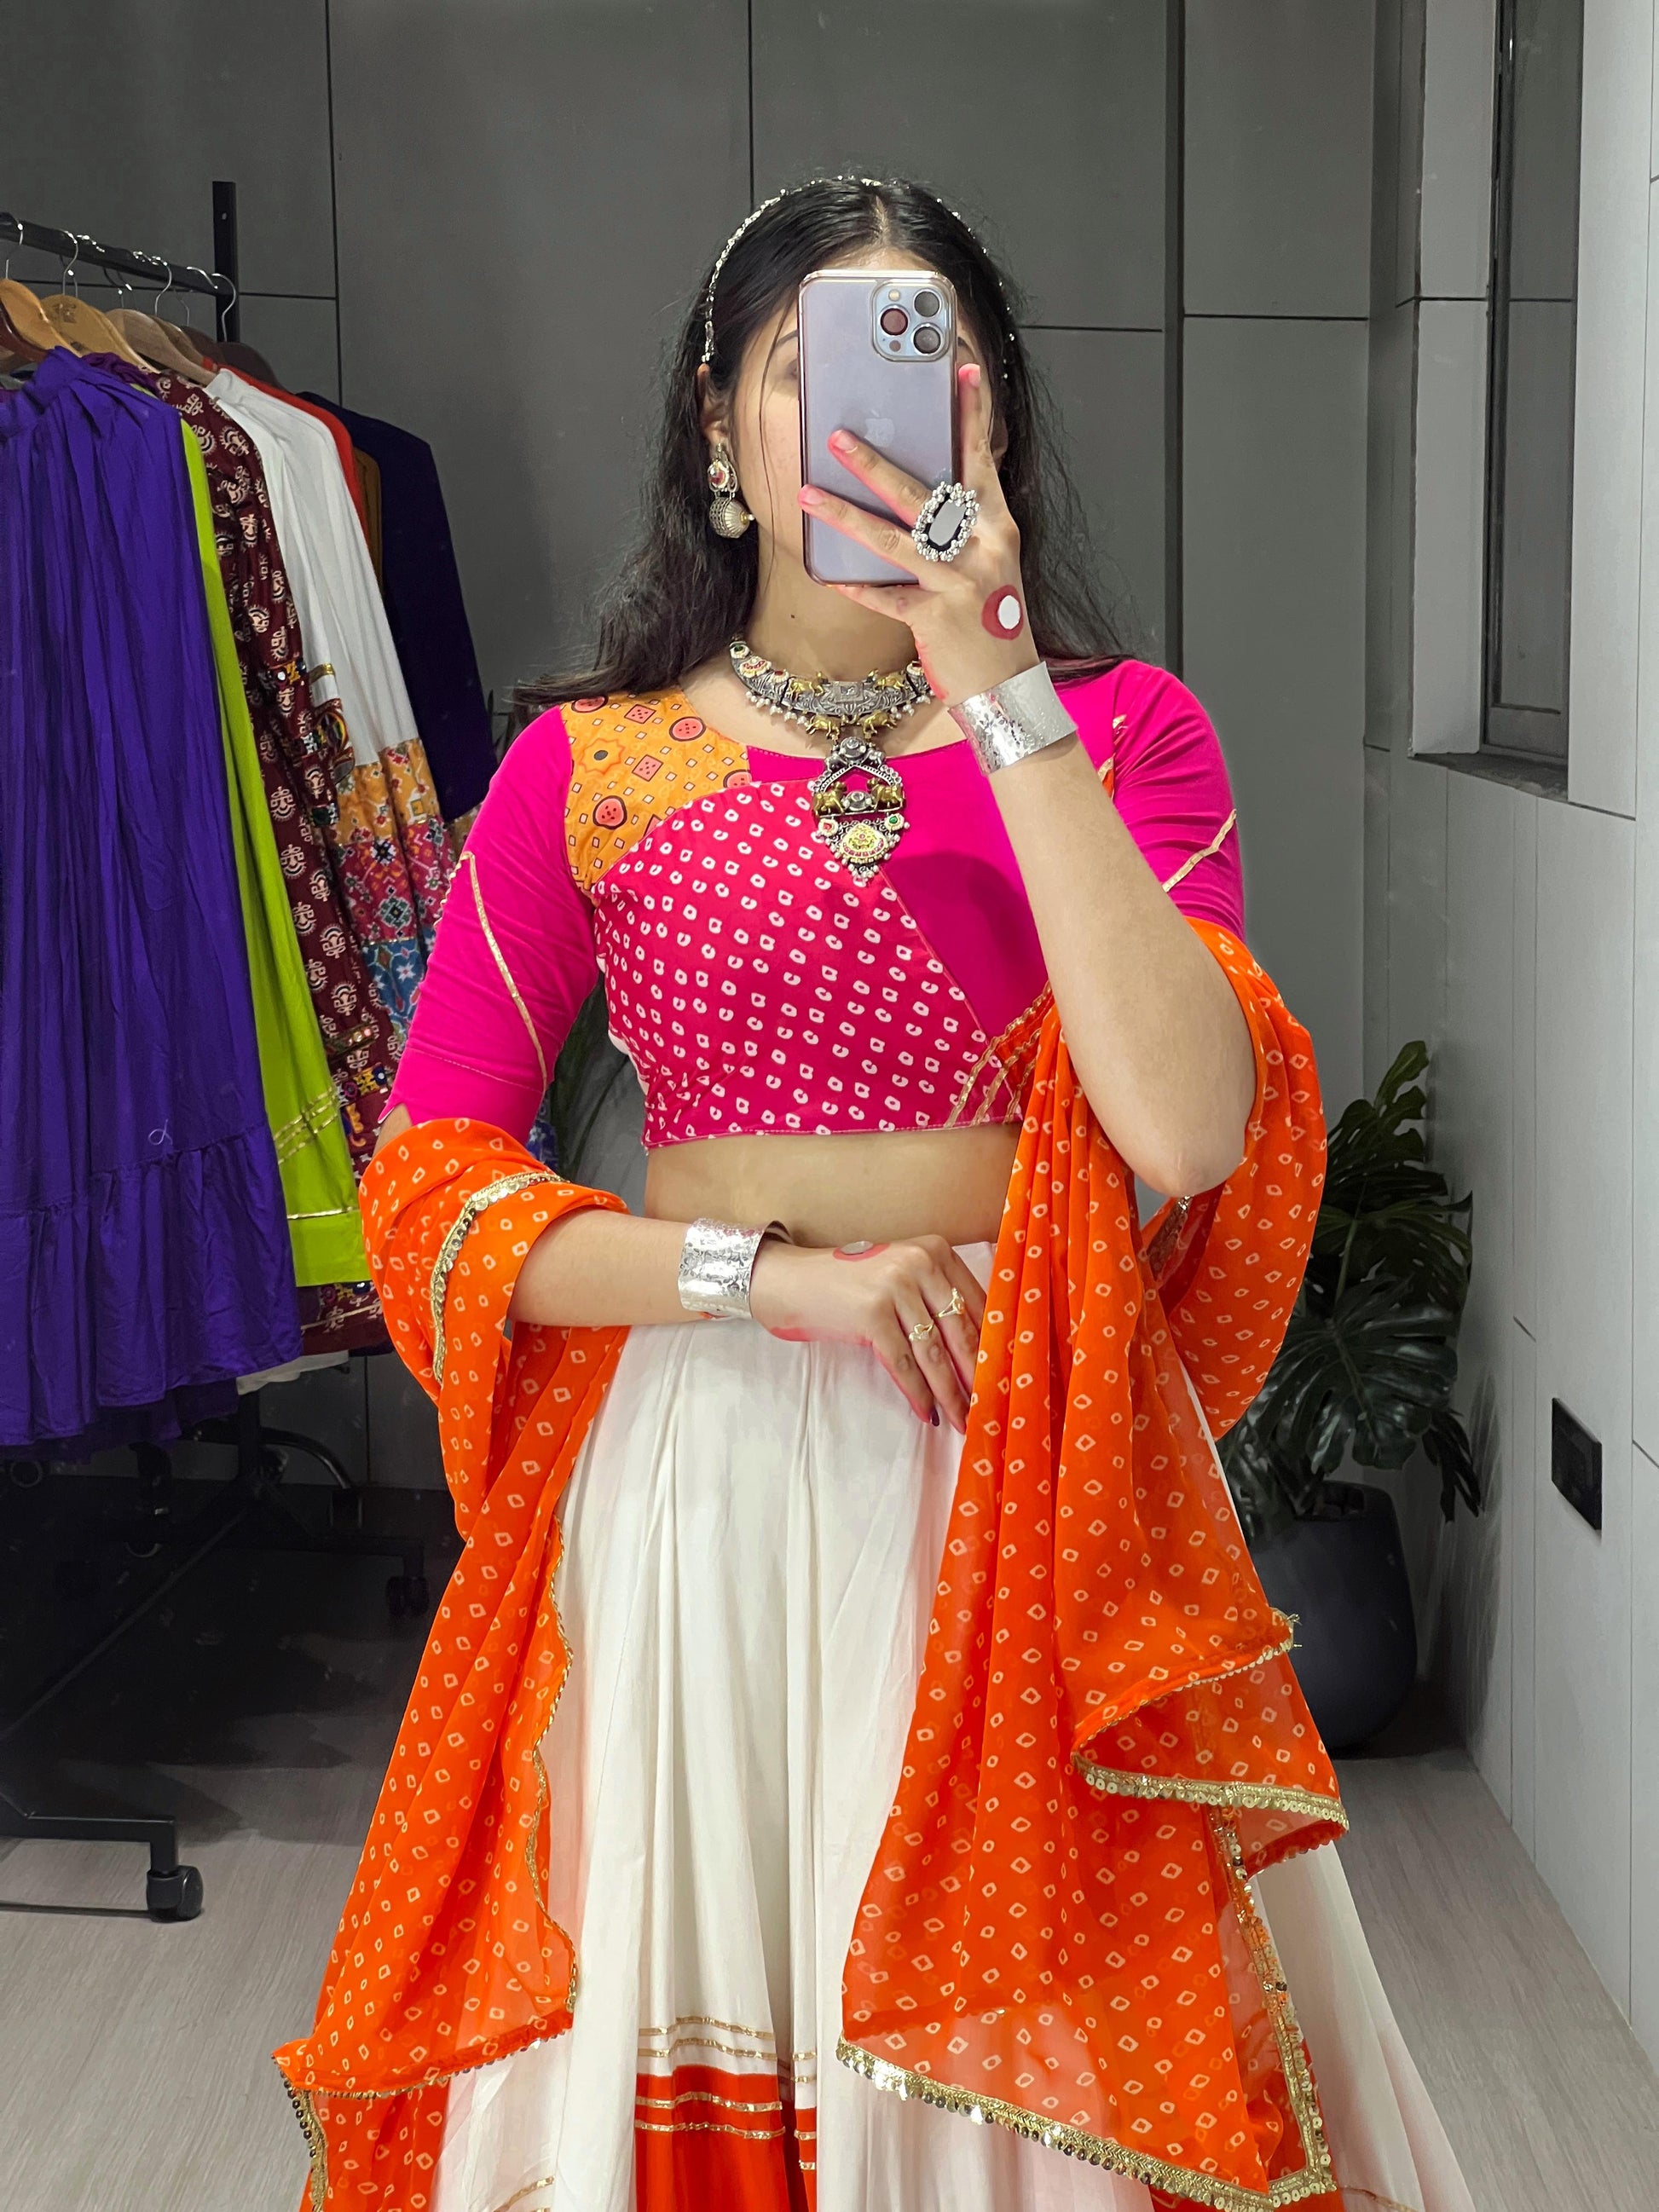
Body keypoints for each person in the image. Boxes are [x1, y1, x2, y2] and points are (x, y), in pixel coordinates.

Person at [276, 177, 1476, 2212]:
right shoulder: (588, 767)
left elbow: (1188, 1130)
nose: (857, 416)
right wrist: (767, 1279)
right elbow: (428, 1187)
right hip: (710, 1474)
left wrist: (993, 682)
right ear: (717, 426)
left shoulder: (1115, 734)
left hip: (1037, 1462)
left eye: (933, 368)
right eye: (796, 367)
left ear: (989, 422)